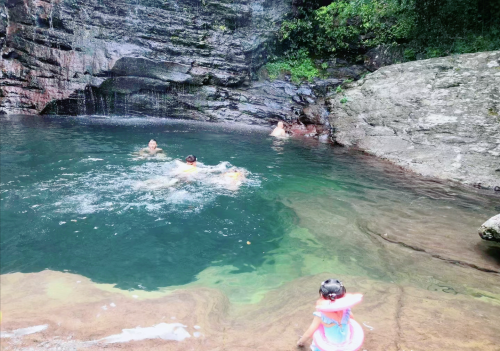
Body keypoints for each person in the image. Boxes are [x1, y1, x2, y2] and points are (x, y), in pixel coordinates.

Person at [297, 279, 364, 351]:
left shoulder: (320, 315)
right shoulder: (347, 310)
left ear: (322, 295)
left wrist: (300, 342)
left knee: (317, 342)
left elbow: (309, 332)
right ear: (343, 294)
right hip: (346, 345)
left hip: (329, 347)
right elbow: (352, 321)